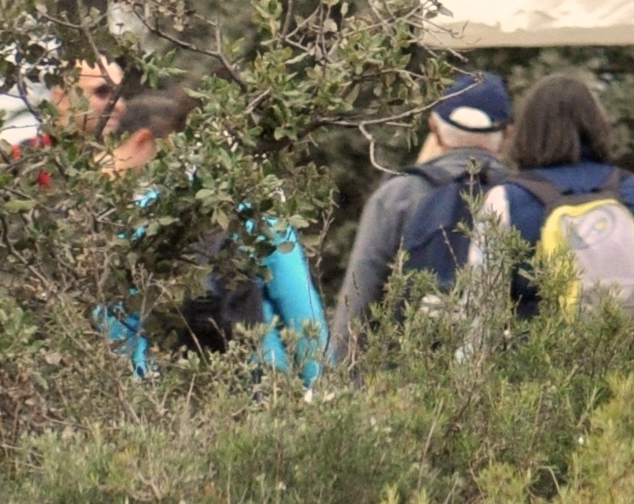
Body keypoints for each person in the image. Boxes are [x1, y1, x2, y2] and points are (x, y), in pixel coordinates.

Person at [94, 89, 328, 380]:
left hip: (163, 388)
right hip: (255, 385)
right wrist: (317, 387)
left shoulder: (137, 215)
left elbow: (117, 318)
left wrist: (132, 389)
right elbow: (301, 311)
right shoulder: (258, 208)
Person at [330, 72, 519, 362]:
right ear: (507, 136)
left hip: (404, 387)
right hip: (504, 391)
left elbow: (358, 301)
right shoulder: (521, 198)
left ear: (433, 127)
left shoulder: (397, 196)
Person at [491, 72, 634, 315]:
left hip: (545, 352)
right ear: (598, 124)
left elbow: (480, 317)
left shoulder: (508, 202)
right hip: (632, 350)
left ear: (528, 130)